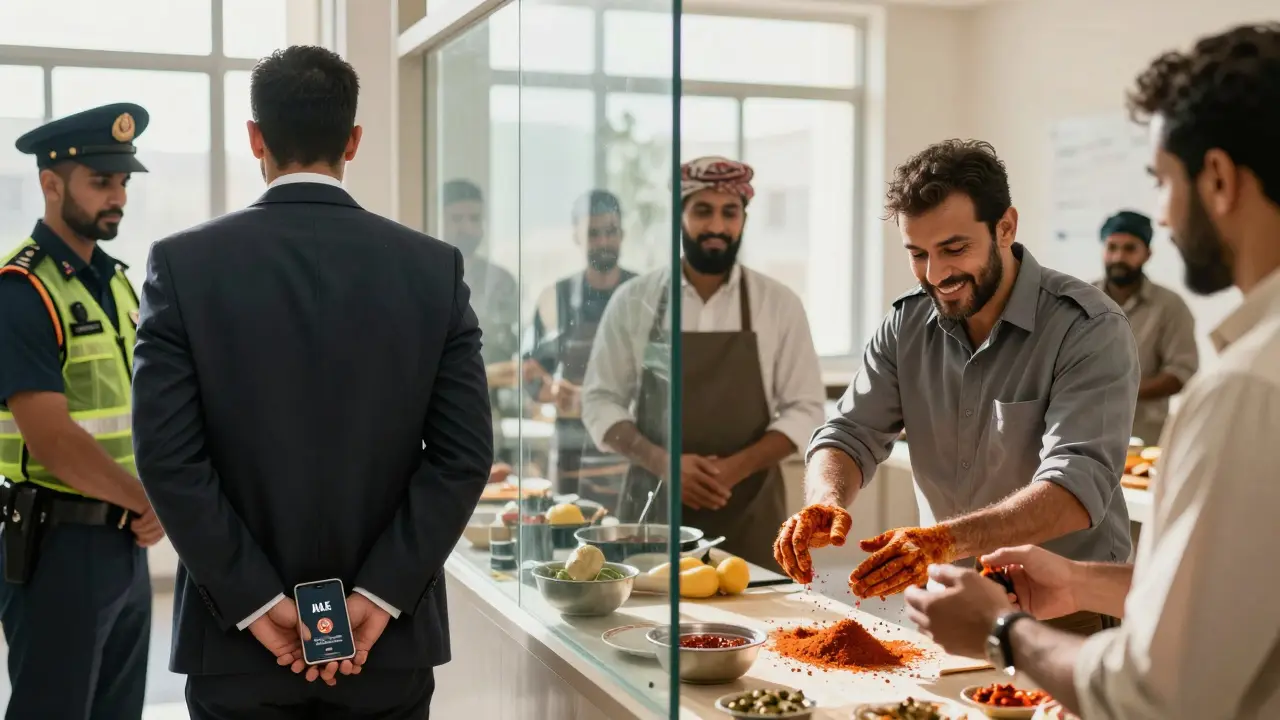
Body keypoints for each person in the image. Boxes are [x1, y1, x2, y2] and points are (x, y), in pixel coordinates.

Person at [900, 24, 1280, 719]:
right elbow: (1246, 598)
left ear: (1218, 179)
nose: (1163, 217)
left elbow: (1158, 694)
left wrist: (1001, 632)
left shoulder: (1246, 388)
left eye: (1163, 182)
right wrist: (1080, 580)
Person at [130, 46, 492, 719]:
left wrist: (260, 602)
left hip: (235, 646)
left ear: (255, 138)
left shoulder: (183, 266)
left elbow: (168, 459)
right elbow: (463, 457)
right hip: (385, 647)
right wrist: (379, 596)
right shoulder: (432, 270)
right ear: (353, 141)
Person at [774, 140, 1140, 636]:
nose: (936, 274)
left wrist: (941, 541)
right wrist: (826, 497)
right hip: (944, 606)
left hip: (1062, 610)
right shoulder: (905, 325)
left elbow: (1076, 488)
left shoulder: (1088, 327)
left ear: (1006, 227)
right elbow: (848, 434)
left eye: (954, 249)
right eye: (918, 254)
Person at [0, 103, 163, 719]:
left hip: (124, 541)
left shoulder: (118, 283)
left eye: (122, 182)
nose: (117, 195)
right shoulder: (22, 291)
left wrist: (145, 504)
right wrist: (144, 499)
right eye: (101, 182)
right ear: (50, 183)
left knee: (120, 711)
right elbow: (50, 437)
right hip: (57, 545)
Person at [581, 156, 825, 569]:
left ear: (743, 220)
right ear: (680, 216)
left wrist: (733, 470)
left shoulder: (779, 304)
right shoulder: (635, 301)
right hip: (654, 511)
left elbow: (806, 409)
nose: (716, 226)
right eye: (702, 211)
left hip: (751, 512)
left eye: (729, 212)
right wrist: (664, 464)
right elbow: (600, 400)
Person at [523, 190, 637, 499]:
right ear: (577, 236)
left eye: (610, 232)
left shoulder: (642, 295)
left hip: (630, 445)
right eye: (593, 233)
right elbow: (529, 372)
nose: (603, 241)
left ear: (622, 234)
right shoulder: (555, 298)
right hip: (571, 447)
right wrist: (552, 390)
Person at [1094, 209, 1198, 444]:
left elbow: (1181, 373)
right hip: (1083, 433)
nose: (1119, 257)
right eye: (1112, 247)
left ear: (1147, 254)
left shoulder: (1170, 306)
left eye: (1130, 248)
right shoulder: (1081, 301)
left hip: (1146, 437)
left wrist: (1121, 390)